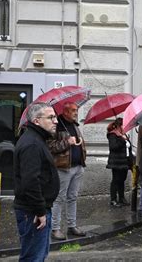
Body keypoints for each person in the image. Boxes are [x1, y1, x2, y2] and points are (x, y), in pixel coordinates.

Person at [14, 102, 60, 261]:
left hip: (36, 209)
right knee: (33, 257)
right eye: (51, 117)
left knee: (38, 255)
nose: (56, 121)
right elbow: (30, 182)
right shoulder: (32, 143)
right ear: (36, 121)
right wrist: (40, 211)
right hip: (32, 212)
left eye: (55, 117)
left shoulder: (37, 139)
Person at [48, 102, 87, 240]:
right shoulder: (56, 125)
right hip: (64, 168)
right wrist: (67, 142)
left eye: (76, 110)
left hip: (77, 166)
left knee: (73, 197)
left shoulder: (75, 125)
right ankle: (55, 229)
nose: (76, 113)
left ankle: (72, 226)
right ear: (65, 112)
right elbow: (50, 147)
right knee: (59, 198)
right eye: (73, 110)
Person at [106, 118, 133, 207]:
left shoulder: (123, 134)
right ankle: (113, 199)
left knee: (122, 180)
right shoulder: (112, 135)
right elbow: (113, 147)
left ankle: (121, 198)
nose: (125, 127)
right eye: (123, 125)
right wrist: (122, 139)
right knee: (115, 180)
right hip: (116, 161)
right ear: (118, 125)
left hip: (124, 161)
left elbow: (128, 147)